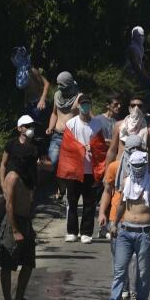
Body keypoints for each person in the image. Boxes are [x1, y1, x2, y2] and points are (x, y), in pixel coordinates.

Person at [101, 150, 150, 300]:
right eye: (135, 165)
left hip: (145, 233)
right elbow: (121, 205)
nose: (138, 169)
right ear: (130, 165)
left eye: (140, 165)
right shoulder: (126, 182)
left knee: (143, 272)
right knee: (120, 269)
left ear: (145, 165)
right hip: (125, 231)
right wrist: (114, 224)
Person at [0, 116, 46, 300]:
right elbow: (9, 205)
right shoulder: (13, 177)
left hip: (26, 220)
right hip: (14, 222)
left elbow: (46, 163)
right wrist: (15, 229)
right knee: (8, 263)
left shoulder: (27, 178)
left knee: (28, 262)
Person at [57, 94, 110, 243]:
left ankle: (86, 232)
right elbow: (67, 146)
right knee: (72, 201)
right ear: (78, 106)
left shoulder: (97, 124)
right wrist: (81, 148)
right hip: (74, 170)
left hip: (90, 170)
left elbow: (101, 146)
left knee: (89, 202)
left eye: (87, 104)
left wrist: (92, 147)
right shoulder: (71, 124)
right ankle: (72, 232)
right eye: (82, 104)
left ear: (90, 106)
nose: (85, 107)